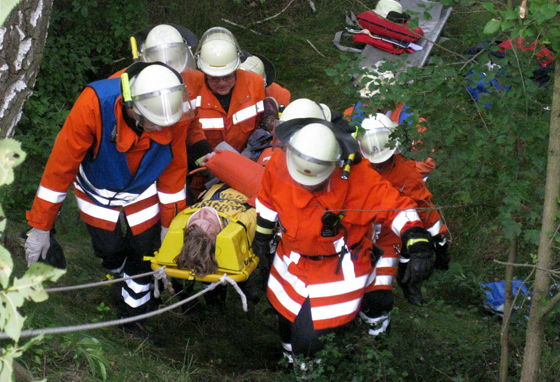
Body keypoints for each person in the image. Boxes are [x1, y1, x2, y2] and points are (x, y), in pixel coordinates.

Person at [24, 61, 195, 330]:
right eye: (153, 124)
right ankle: (120, 275)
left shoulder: (171, 108)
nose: (160, 130)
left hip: (144, 186)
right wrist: (41, 227)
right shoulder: (94, 103)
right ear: (132, 110)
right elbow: (60, 167)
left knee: (145, 251)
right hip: (98, 186)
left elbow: (174, 172)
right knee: (109, 249)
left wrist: (169, 229)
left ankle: (132, 316)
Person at [252, 119, 434, 366]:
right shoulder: (279, 163)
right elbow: (268, 201)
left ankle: (309, 369)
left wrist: (418, 241)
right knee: (284, 317)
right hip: (292, 258)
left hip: (337, 266)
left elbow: (397, 207)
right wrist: (261, 238)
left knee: (310, 337)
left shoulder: (359, 178)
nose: (307, 186)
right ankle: (289, 361)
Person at [357, 113, 449, 318]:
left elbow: (424, 208)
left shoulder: (406, 174)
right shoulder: (352, 169)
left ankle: (409, 283)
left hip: (392, 240)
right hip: (357, 237)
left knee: (382, 293)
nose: (378, 165)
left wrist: (439, 241)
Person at [195, 27, 266, 152]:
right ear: (205, 73)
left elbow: (260, 123)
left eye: (228, 77)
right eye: (215, 79)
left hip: (247, 160)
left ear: (236, 69)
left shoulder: (255, 84)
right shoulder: (192, 91)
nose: (222, 83)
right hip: (206, 165)